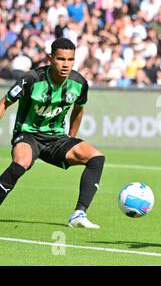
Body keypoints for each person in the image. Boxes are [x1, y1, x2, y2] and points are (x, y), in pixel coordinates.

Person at [0, 38, 105, 229]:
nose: (66, 64)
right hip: (28, 134)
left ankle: (79, 214)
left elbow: (79, 109)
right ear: (50, 59)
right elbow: (4, 103)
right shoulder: (31, 79)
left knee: (96, 157)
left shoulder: (79, 83)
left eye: (70, 60)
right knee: (21, 162)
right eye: (61, 59)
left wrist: (71, 139)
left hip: (56, 138)